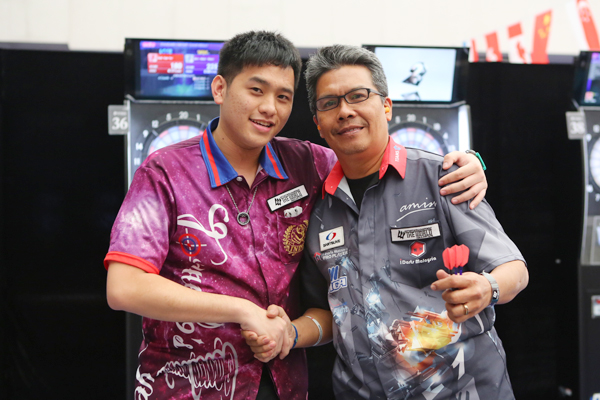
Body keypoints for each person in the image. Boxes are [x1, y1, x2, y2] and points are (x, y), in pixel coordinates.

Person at [104, 31, 488, 400]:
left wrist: (469, 163)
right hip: (188, 384)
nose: (270, 108)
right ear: (220, 88)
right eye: (256, 90)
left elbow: (376, 156)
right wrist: (240, 311)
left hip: (283, 381)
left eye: (283, 97)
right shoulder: (166, 171)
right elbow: (124, 287)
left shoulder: (306, 163)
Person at [245, 44, 528, 400]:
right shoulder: (317, 209)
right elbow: (328, 311)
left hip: (460, 389)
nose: (345, 111)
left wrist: (488, 287)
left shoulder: (443, 178)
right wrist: (291, 333)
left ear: (387, 106)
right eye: (329, 103)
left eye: (358, 96)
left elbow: (514, 269)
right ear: (318, 123)